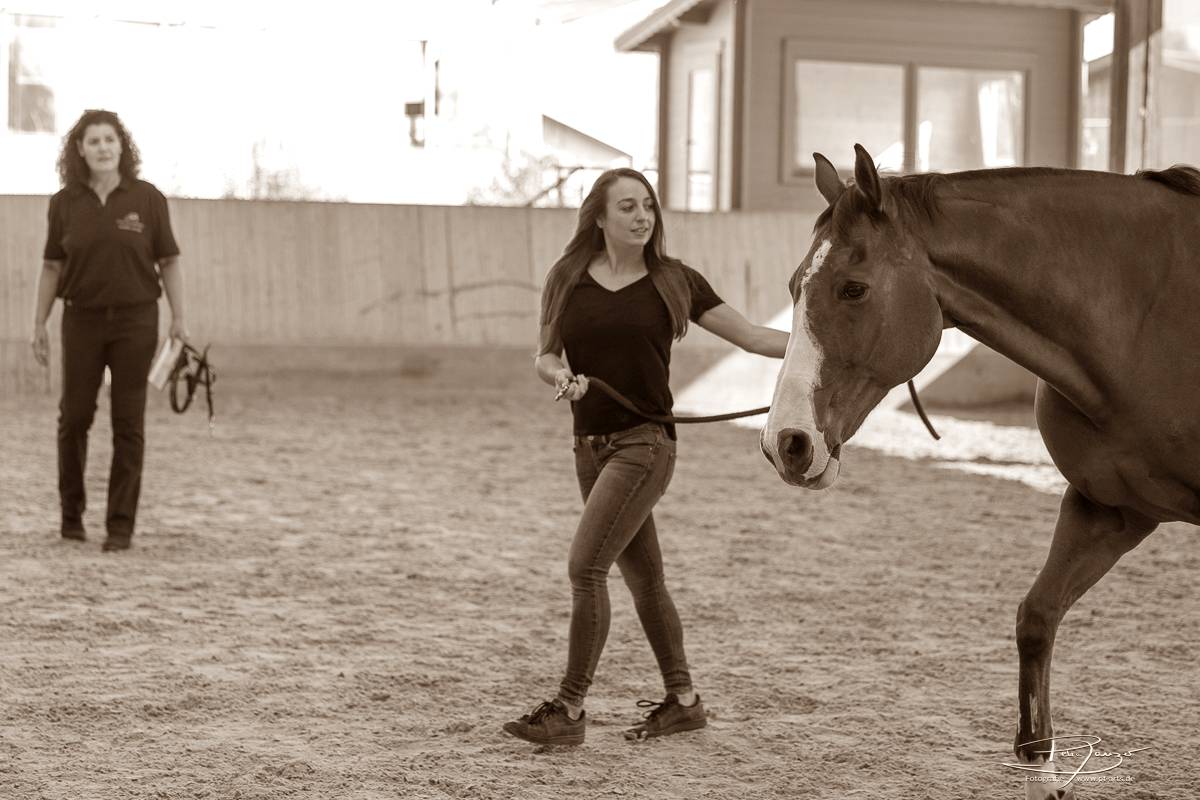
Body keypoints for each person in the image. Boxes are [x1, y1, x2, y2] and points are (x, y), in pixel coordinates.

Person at [503, 168, 789, 746]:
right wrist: (560, 376)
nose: (642, 216)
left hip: (645, 445)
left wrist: (842, 349)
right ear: (600, 217)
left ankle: (570, 710)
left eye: (649, 207)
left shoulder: (674, 281)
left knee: (586, 568)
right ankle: (683, 701)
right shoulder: (567, 278)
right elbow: (545, 355)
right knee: (645, 580)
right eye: (628, 207)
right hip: (588, 446)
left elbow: (757, 337)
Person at [30, 109, 188, 552]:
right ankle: (70, 518)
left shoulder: (148, 199)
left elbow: (170, 261)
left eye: (109, 140)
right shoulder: (63, 204)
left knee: (128, 422)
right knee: (74, 418)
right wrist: (39, 322)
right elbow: (51, 265)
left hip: (137, 320)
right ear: (79, 149)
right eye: (93, 141)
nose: (102, 147)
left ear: (122, 146)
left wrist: (179, 318)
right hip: (80, 319)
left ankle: (120, 527)